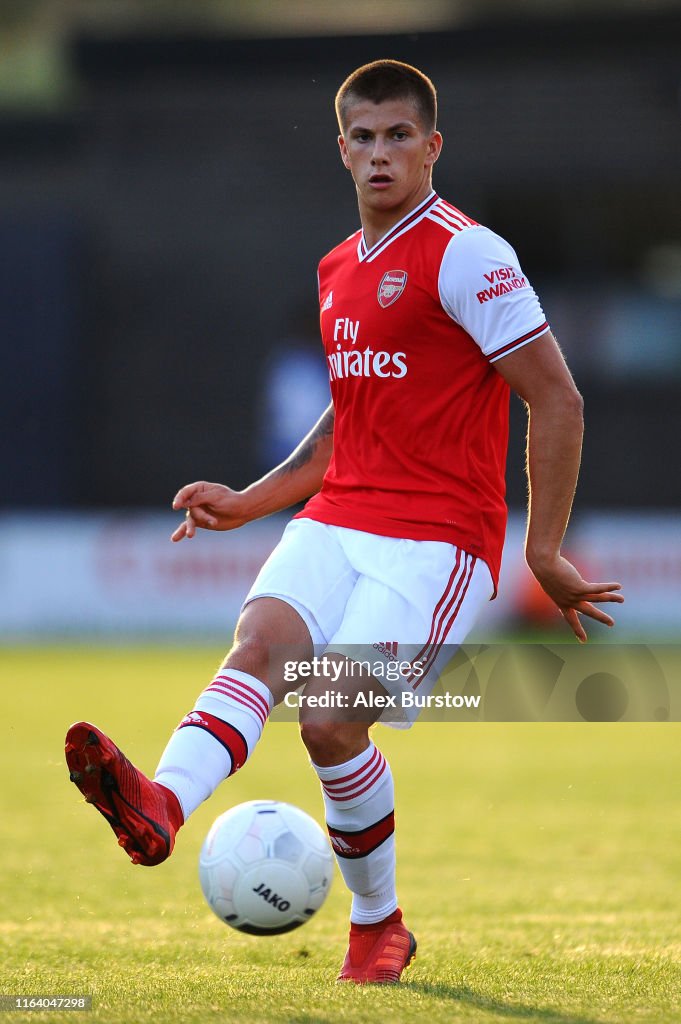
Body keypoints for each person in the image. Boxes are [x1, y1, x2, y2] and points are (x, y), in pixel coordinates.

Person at [65, 60, 623, 985]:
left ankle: (377, 922)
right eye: (362, 138)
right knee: (258, 648)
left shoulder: (467, 254)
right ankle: (160, 805)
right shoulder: (336, 269)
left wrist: (542, 548)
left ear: (431, 147)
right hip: (338, 518)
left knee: (326, 720)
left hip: (438, 542)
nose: (379, 154)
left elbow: (555, 400)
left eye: (398, 135)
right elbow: (343, 426)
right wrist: (247, 501)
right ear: (340, 150)